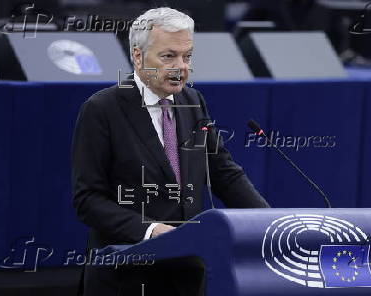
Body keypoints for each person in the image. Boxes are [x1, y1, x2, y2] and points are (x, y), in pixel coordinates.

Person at [71, 7, 269, 296]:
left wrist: (269, 224)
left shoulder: (192, 100)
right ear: (137, 56)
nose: (181, 67)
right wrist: (151, 231)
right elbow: (87, 199)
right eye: (169, 56)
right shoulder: (102, 109)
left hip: (187, 274)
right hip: (126, 274)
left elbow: (223, 172)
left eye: (187, 56)